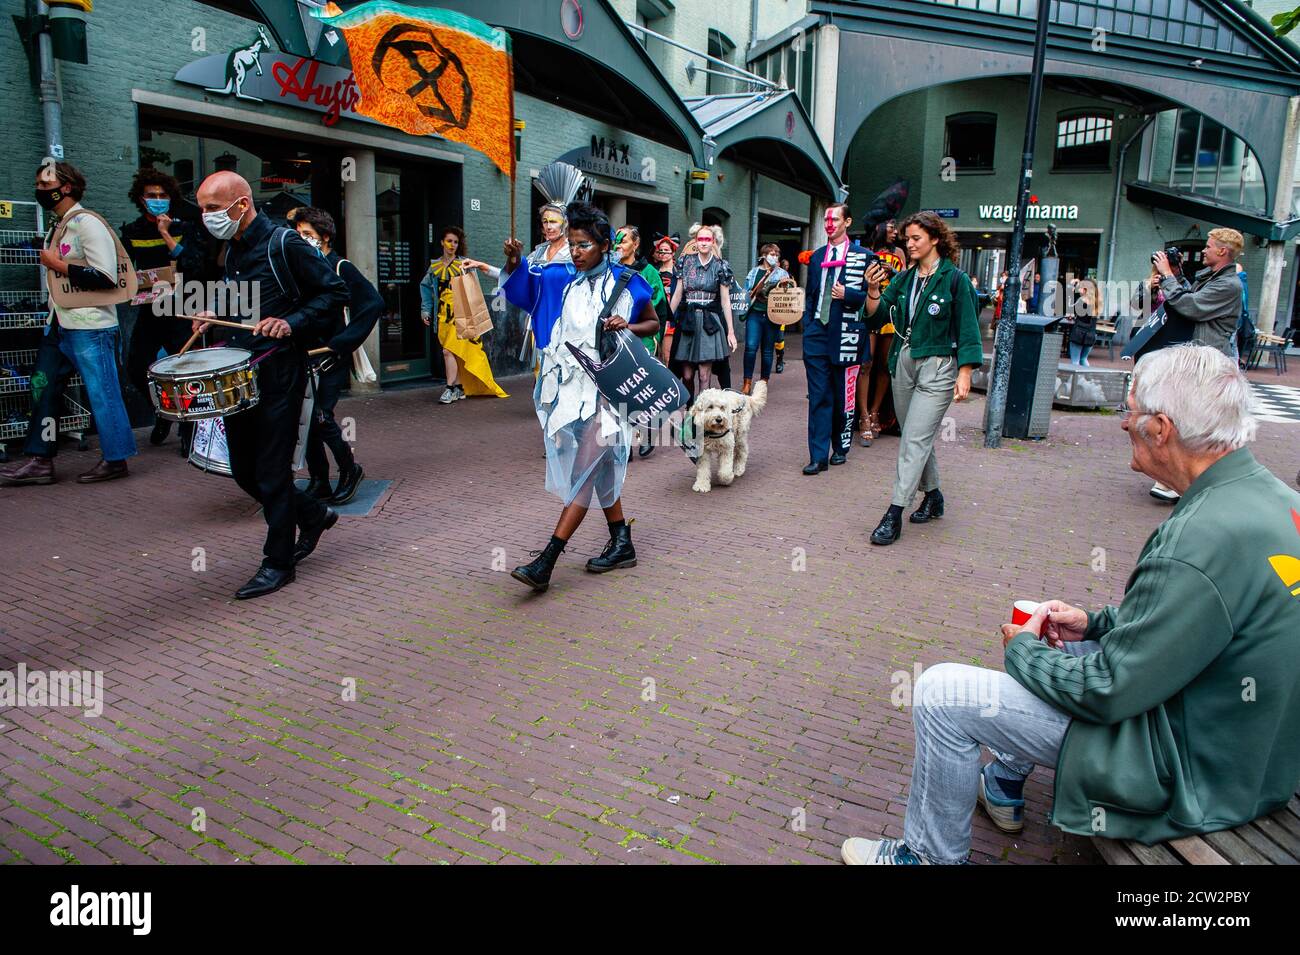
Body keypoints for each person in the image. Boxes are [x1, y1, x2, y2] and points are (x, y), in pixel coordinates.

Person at [840, 345, 1300, 864]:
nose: (1124, 424)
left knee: (942, 694)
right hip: (1252, 755)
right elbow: (1193, 625)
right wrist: (1097, 623)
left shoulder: (1198, 538)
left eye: (1131, 411)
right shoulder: (1277, 501)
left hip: (1189, 770)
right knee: (1062, 647)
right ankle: (1004, 783)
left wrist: (1025, 651)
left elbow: (1107, 691)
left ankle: (925, 857)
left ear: (1162, 429)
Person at [189, 171, 349, 599]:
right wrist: (212, 310)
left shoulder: (285, 243)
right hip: (240, 371)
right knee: (243, 469)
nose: (205, 217)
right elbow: (243, 299)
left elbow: (335, 292)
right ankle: (312, 513)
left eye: (211, 208)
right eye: (202, 208)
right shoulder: (232, 249)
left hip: (280, 370)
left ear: (240, 205)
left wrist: (290, 321)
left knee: (272, 470)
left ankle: (277, 562)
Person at [501, 202, 659, 592]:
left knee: (584, 471)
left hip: (611, 394)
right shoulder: (563, 280)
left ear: (605, 245)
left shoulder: (629, 282)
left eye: (584, 244)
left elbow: (656, 321)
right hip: (572, 394)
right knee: (599, 468)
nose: (575, 251)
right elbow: (526, 290)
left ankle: (547, 560)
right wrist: (516, 262)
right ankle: (622, 541)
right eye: (572, 243)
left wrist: (630, 324)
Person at [1, 162, 137, 487]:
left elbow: (105, 276)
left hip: (91, 324)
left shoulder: (87, 224)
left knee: (102, 391)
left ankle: (116, 458)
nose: (39, 190)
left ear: (67, 188)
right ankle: (40, 459)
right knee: (43, 387)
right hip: (59, 322)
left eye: (44, 184)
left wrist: (58, 265)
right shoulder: (59, 225)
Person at [863, 211, 982, 545]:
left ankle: (894, 512)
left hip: (938, 365)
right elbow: (876, 317)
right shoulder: (904, 278)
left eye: (916, 238)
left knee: (914, 438)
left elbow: (969, 326)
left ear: (935, 238)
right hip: (903, 360)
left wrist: (965, 370)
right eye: (907, 239)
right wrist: (873, 290)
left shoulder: (954, 280)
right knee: (917, 435)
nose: (909, 244)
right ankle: (934, 495)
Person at [1145, 228, 1245, 504]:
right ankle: (1176, 480)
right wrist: (1173, 276)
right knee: (1184, 421)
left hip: (1208, 363)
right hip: (1196, 359)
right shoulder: (1210, 278)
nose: (1204, 250)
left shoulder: (1229, 285)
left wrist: (1167, 276)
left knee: (1195, 425)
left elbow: (1191, 307)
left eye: (1209, 246)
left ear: (1222, 251)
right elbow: (1187, 301)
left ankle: (1182, 481)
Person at [291, 207, 382, 505]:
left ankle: (349, 469)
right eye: (299, 234)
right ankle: (319, 480)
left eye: (308, 235)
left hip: (331, 355)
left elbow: (372, 304)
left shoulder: (341, 267)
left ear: (325, 237)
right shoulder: (301, 269)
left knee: (320, 415)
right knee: (304, 417)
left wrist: (342, 342)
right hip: (305, 354)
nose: (302, 240)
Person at [119, 167, 211, 453]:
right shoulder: (132, 232)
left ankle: (188, 431)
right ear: (141, 198)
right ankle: (162, 411)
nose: (158, 199)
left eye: (163, 195)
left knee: (184, 371)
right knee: (136, 366)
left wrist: (167, 235)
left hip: (184, 309)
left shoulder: (184, 228)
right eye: (152, 195)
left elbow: (196, 265)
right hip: (151, 310)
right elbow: (123, 270)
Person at [800, 202, 868, 475]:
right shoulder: (816, 257)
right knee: (818, 396)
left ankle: (841, 446)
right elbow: (813, 293)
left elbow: (873, 300)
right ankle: (818, 456)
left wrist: (848, 295)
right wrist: (808, 324)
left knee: (841, 396)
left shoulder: (863, 256)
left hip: (846, 334)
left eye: (835, 219)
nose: (830, 225)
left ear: (847, 222)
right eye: (826, 220)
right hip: (817, 331)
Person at [419, 227, 507, 404]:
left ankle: (450, 388)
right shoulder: (434, 266)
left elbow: (473, 289)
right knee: (454, 352)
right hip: (443, 315)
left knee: (447, 351)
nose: (452, 245)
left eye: (456, 242)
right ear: (442, 242)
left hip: (461, 314)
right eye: (449, 241)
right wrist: (426, 309)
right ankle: (458, 388)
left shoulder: (464, 264)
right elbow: (426, 288)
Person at [614, 225, 670, 457]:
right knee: (620, 390)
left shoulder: (648, 272)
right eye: (616, 241)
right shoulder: (610, 270)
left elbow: (657, 307)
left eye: (623, 241)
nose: (619, 245)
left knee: (641, 389)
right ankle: (625, 439)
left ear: (635, 244)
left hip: (641, 337)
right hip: (615, 338)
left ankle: (648, 431)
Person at [669, 224, 736, 397]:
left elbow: (725, 300)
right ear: (695, 242)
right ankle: (690, 410)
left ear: (713, 242)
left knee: (704, 375)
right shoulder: (685, 262)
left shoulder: (721, 266)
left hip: (709, 322)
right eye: (700, 239)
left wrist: (731, 331)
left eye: (708, 239)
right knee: (687, 375)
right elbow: (677, 295)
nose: (704, 243)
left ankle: (701, 418)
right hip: (688, 321)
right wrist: (666, 321)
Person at [858, 221, 906, 448]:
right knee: (866, 363)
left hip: (890, 312)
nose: (895, 232)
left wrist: (893, 271)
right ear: (879, 228)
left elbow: (906, 279)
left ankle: (877, 412)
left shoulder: (899, 253)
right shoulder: (866, 250)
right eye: (891, 227)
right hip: (870, 309)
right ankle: (863, 415)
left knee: (885, 365)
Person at [741, 243, 789, 394]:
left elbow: (787, 296)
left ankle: (763, 383)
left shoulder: (782, 274)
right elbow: (746, 292)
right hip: (755, 313)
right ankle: (747, 383)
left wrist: (784, 286)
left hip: (772, 315)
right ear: (763, 255)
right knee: (750, 347)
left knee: (768, 351)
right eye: (771, 254)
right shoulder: (754, 272)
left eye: (776, 254)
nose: (774, 257)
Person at [652, 233, 678, 365]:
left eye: (666, 251)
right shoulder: (654, 271)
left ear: (673, 253)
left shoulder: (678, 272)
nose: (662, 253)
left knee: (666, 356)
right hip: (657, 314)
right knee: (657, 353)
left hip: (671, 317)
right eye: (660, 250)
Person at [1068, 278, 1100, 367]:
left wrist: (1070, 287)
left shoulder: (1081, 301)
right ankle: (1086, 378)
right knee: (1083, 359)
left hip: (1079, 333)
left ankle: (1075, 380)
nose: (1079, 289)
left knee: (1075, 361)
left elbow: (1069, 312)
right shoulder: (1096, 302)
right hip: (1091, 334)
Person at [775, 256, 793, 373]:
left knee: (779, 339)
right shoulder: (767, 275)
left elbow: (792, 291)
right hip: (768, 311)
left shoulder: (787, 276)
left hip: (780, 312)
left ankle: (779, 360)